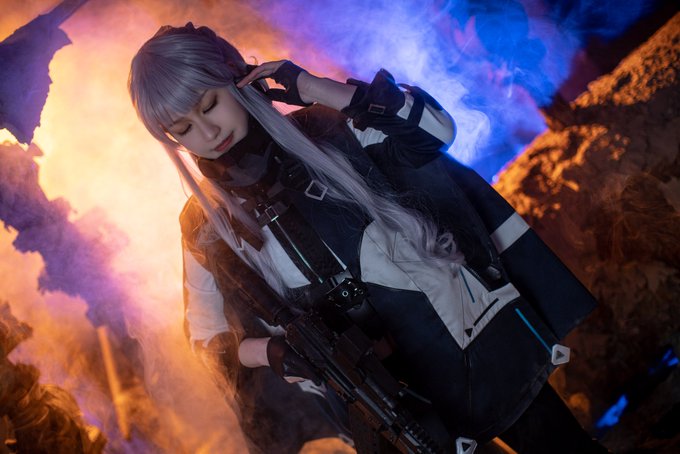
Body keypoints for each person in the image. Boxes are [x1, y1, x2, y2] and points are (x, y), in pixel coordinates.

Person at [128, 22, 609, 454]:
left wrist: (313, 87)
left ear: (240, 79)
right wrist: (272, 353)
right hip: (384, 406)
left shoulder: (329, 131)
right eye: (183, 129)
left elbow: (434, 132)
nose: (207, 132)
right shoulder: (204, 228)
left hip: (470, 347)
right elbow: (206, 341)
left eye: (209, 104)